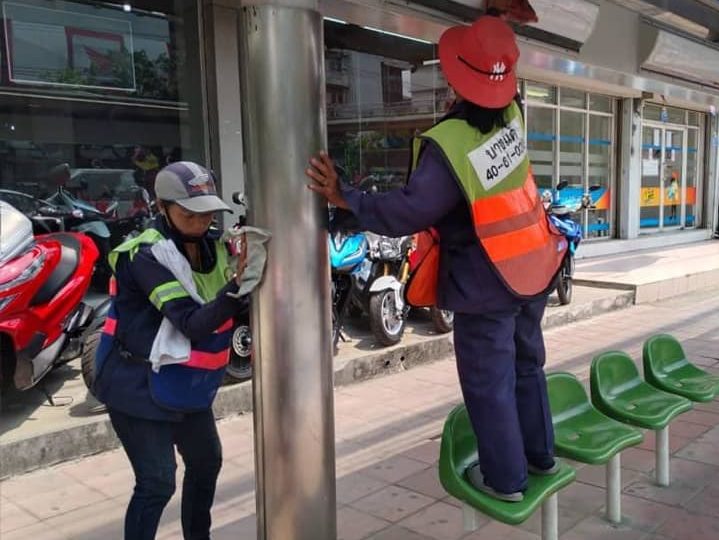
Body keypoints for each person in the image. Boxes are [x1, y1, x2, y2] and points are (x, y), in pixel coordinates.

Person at [306, 15, 566, 502]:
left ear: (454, 77)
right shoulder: (514, 112)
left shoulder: (450, 143)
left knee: (489, 385)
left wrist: (347, 198)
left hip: (487, 283)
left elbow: (410, 210)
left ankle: (506, 481)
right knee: (527, 366)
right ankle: (539, 457)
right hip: (534, 265)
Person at [91, 161, 250, 539]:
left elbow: (233, 307)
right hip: (135, 384)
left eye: (208, 211)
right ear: (162, 208)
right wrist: (238, 287)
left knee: (206, 462)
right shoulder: (144, 255)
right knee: (157, 483)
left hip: (185, 382)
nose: (202, 221)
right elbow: (192, 323)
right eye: (189, 213)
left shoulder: (216, 246)